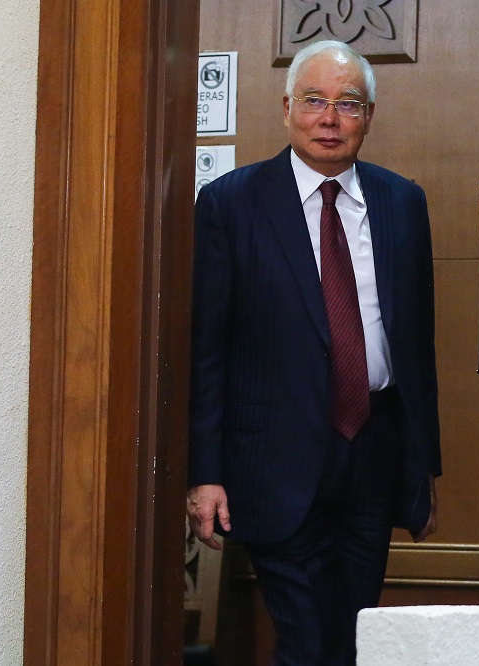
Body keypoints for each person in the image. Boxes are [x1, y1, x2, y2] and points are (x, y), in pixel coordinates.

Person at [185, 40, 441, 666]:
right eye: (314, 101)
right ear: (287, 109)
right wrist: (205, 472)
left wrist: (423, 467)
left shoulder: (402, 202)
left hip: (374, 452)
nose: (329, 118)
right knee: (303, 643)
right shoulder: (231, 205)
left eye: (347, 104)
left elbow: (418, 346)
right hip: (272, 457)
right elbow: (207, 352)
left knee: (353, 639)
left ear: (369, 116)